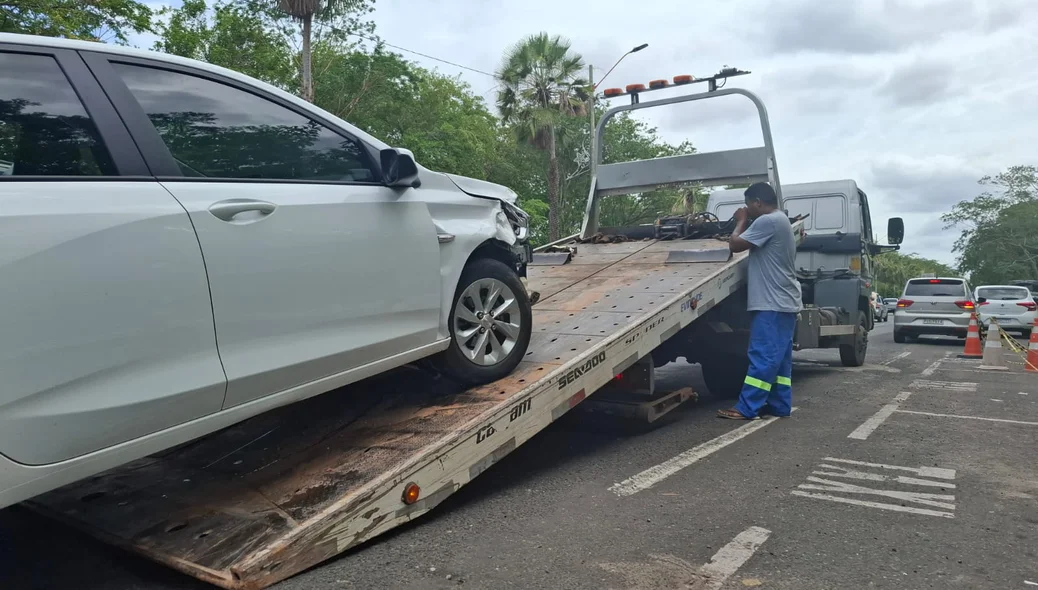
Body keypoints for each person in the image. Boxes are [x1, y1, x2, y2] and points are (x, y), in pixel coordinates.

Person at [716, 182, 803, 420]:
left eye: (748, 205)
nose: (746, 209)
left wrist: (740, 221)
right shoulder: (782, 220)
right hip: (783, 301)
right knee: (780, 360)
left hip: (771, 303)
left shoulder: (768, 221)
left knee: (762, 356)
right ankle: (779, 404)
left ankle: (746, 407)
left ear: (757, 202)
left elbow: (735, 244)